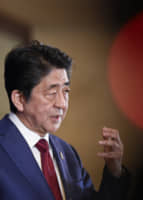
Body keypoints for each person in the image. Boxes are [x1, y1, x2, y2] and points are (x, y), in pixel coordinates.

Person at [0, 40, 130, 200]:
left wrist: (114, 171)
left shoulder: (68, 153)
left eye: (66, 91)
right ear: (19, 99)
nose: (62, 103)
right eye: (52, 93)